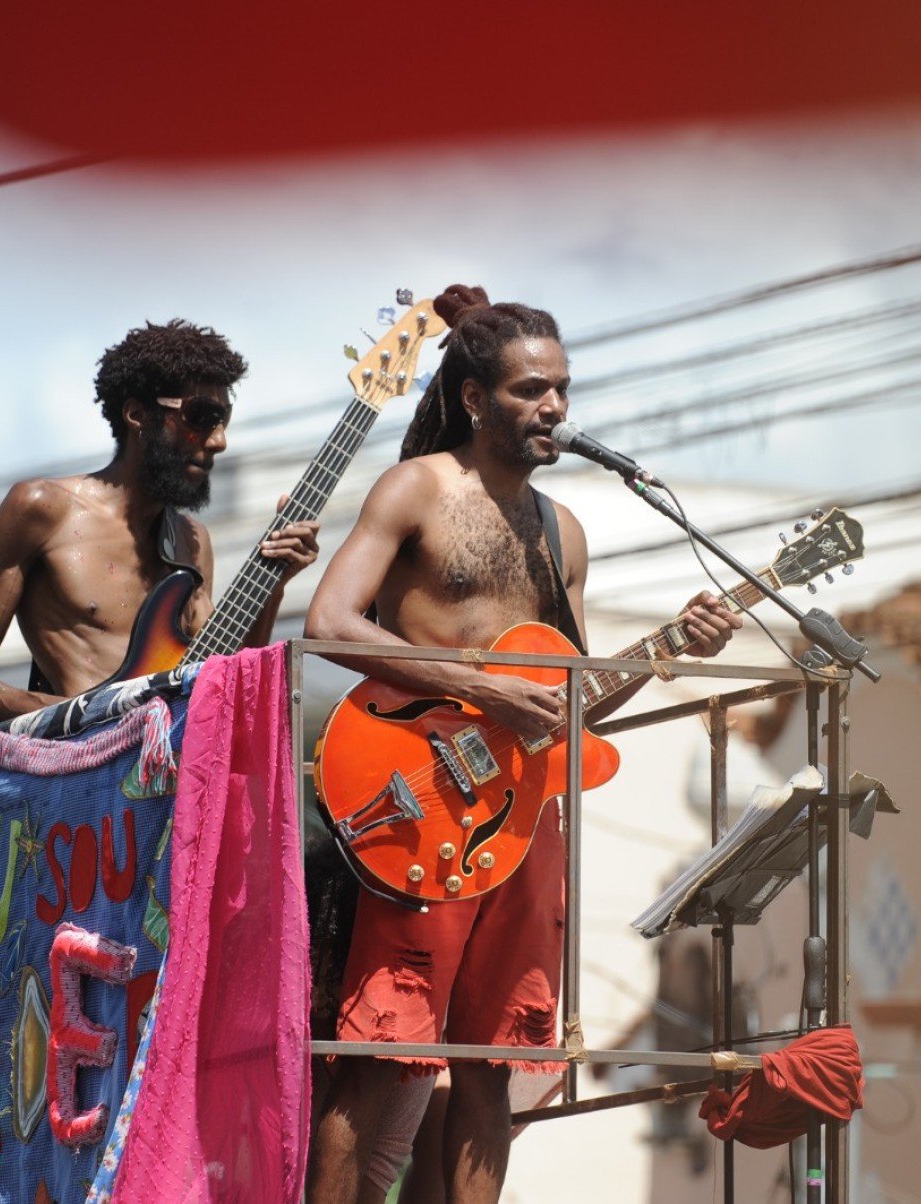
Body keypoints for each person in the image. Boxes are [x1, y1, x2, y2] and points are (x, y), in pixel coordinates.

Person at [303, 285, 742, 1203]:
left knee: (494, 1063)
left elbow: (574, 709)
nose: (553, 408)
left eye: (562, 391)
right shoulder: (418, 486)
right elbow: (332, 622)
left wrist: (671, 651)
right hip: (413, 802)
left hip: (517, 824)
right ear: (474, 398)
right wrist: (472, 684)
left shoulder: (562, 531)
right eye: (530, 390)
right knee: (383, 1052)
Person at [0, 318, 320, 723]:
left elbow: (220, 681)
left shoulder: (191, 540)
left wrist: (273, 583)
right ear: (137, 414)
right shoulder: (42, 508)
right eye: (202, 416)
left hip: (168, 770)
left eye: (225, 418)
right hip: (84, 767)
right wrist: (78, 718)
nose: (219, 440)